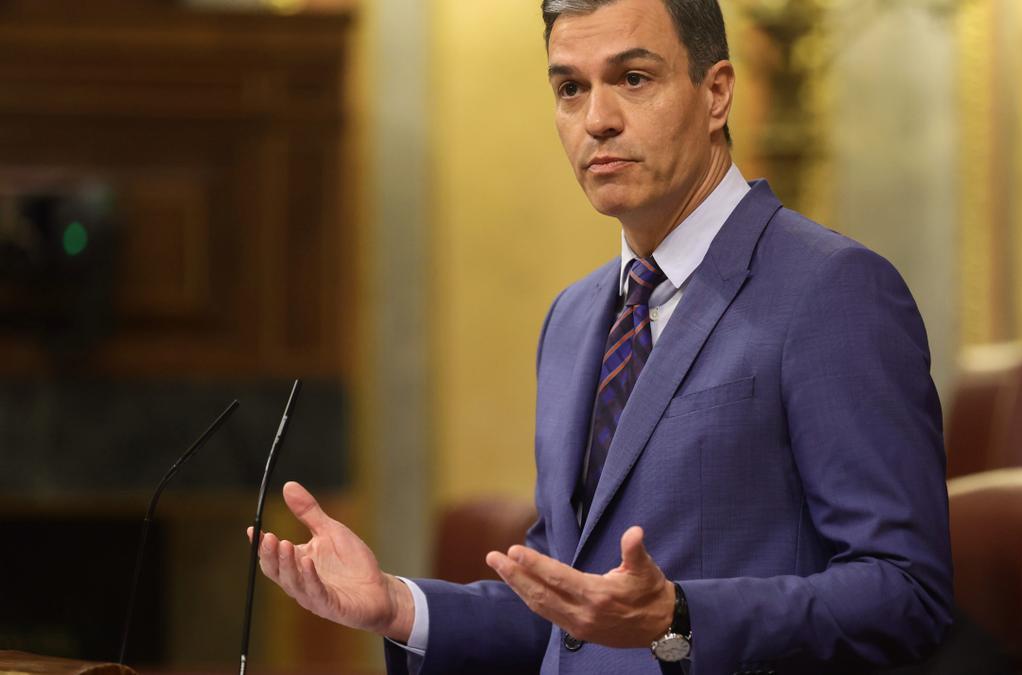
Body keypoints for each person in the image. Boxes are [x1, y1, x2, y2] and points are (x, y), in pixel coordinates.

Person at [251, 0, 954, 672]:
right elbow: (568, 609)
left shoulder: (833, 289)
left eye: (633, 78)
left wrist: (678, 616)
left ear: (716, 93)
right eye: (569, 88)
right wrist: (397, 605)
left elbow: (904, 593)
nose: (597, 120)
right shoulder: (574, 316)